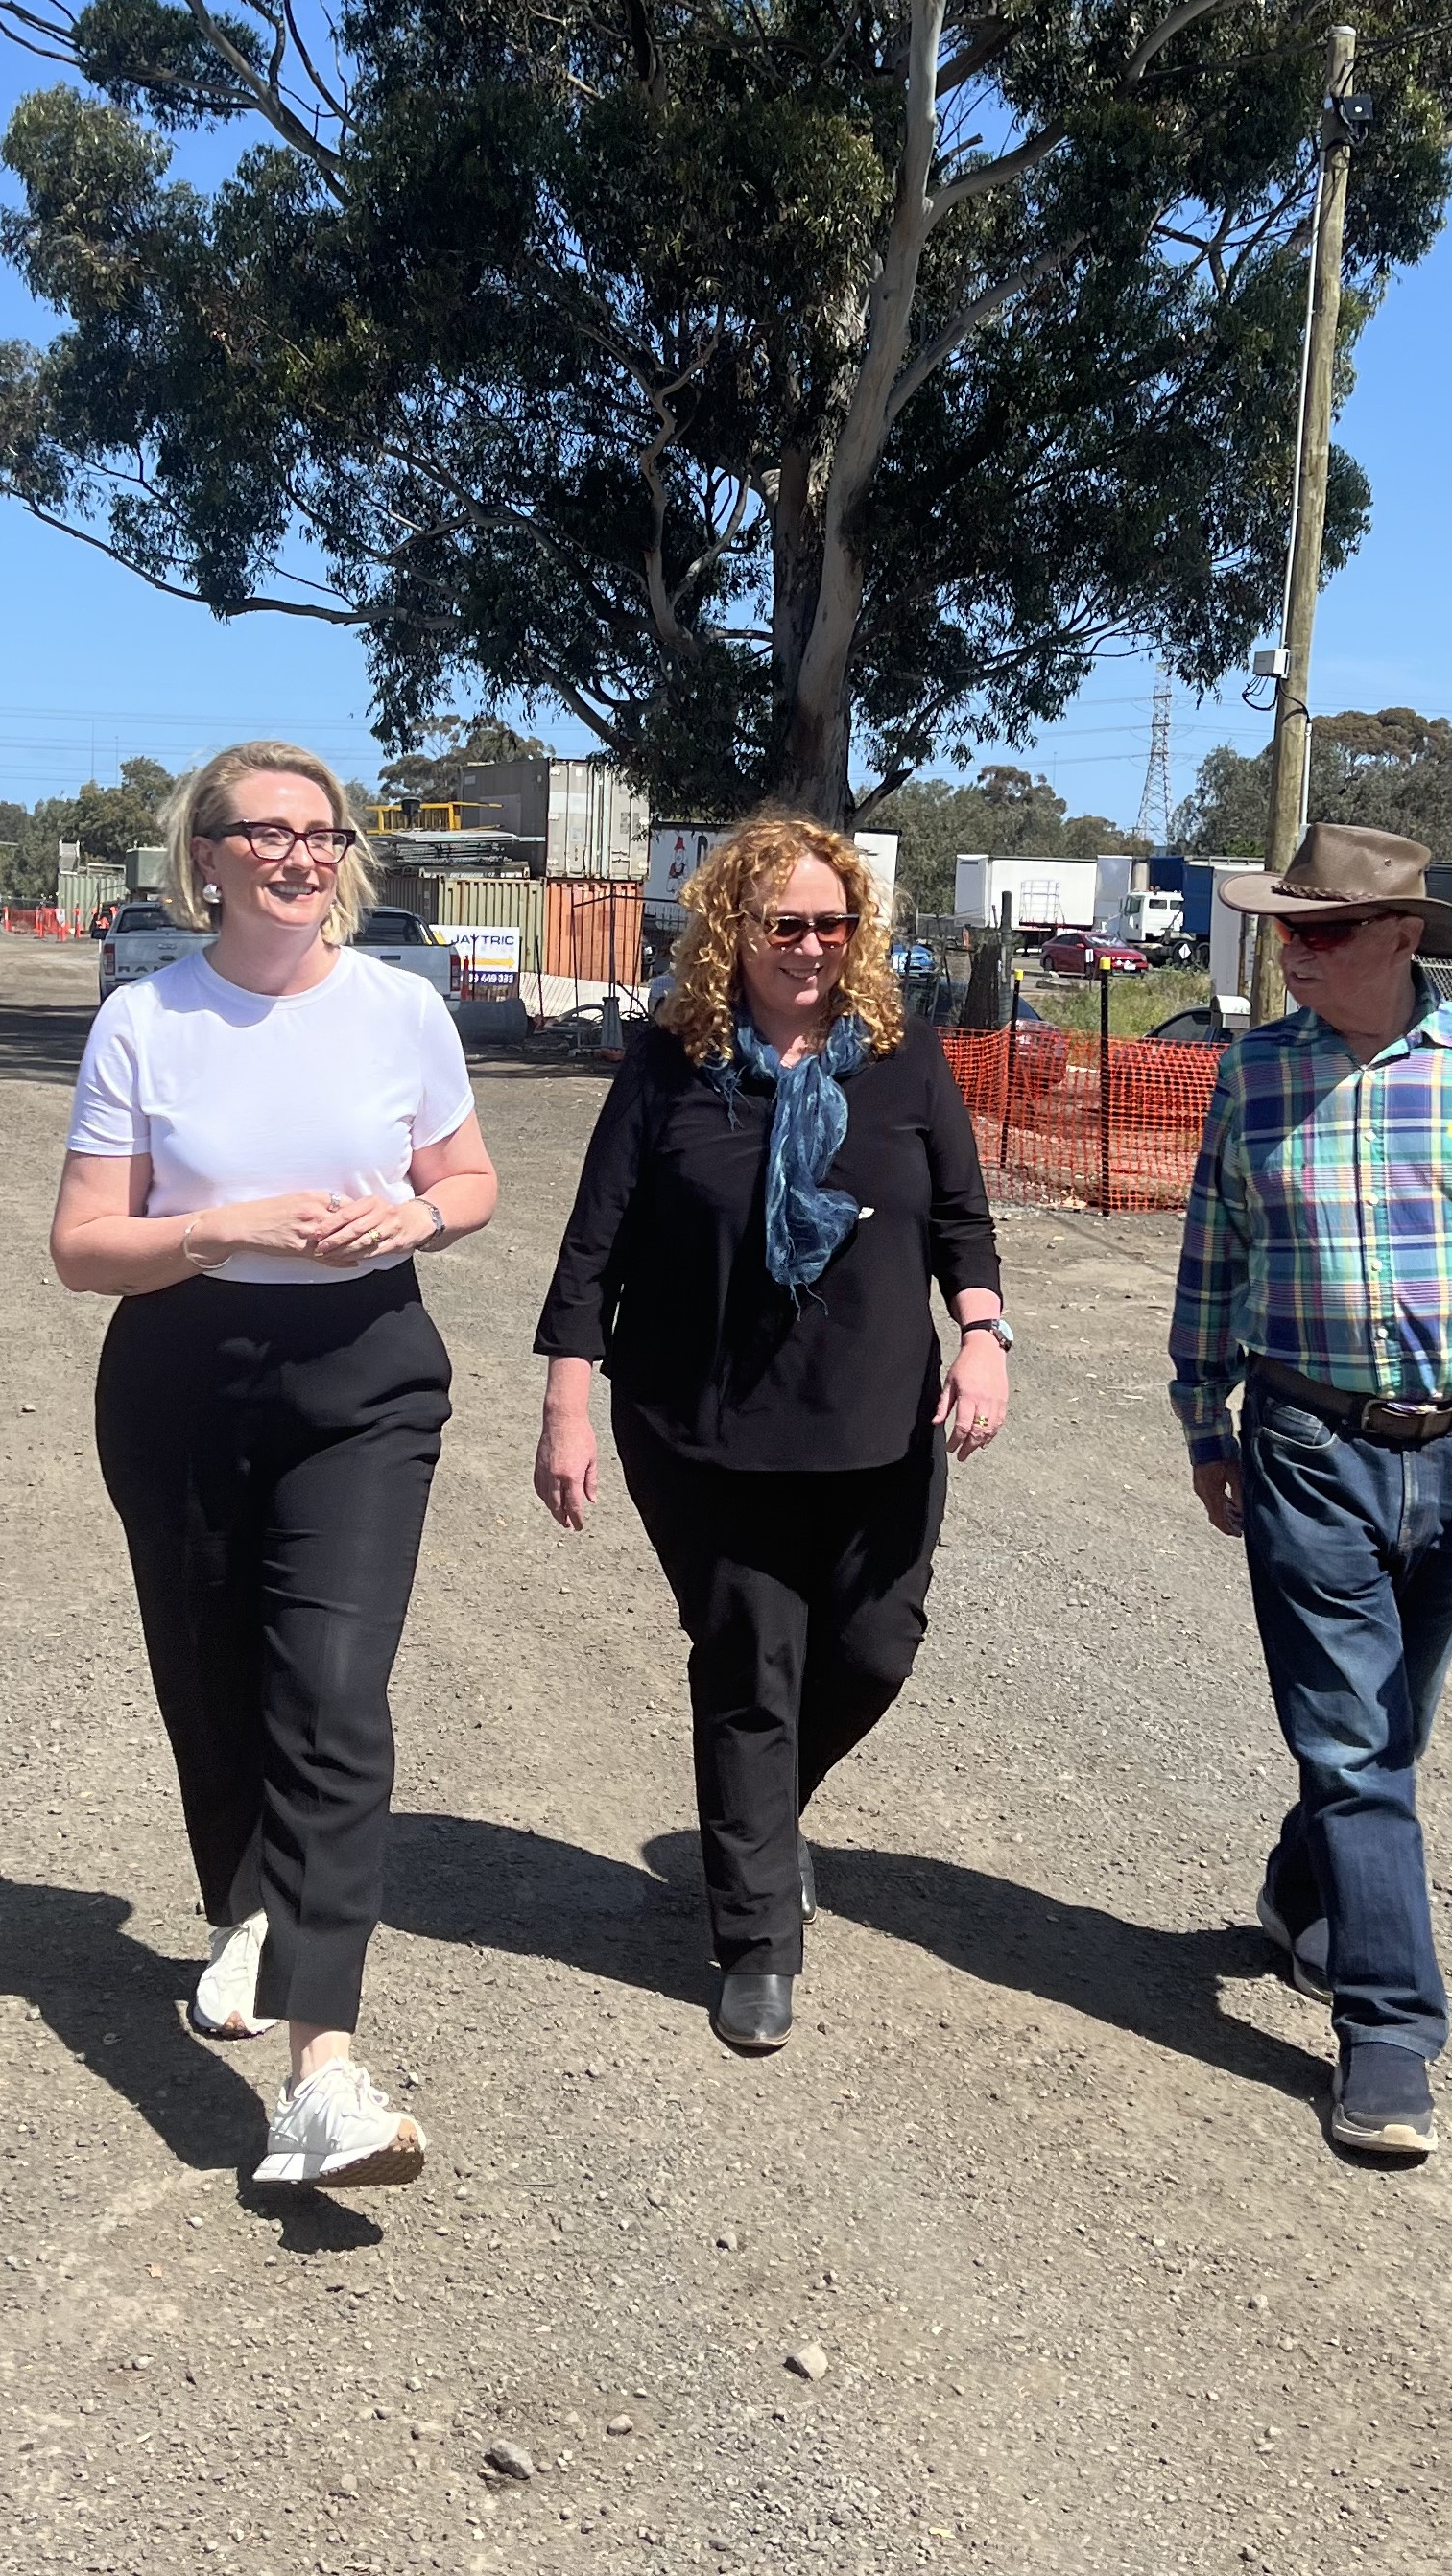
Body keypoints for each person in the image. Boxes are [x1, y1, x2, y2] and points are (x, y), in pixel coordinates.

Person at [50, 741, 497, 2188]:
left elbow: (472, 1179)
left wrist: (420, 1226)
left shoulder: (403, 1010)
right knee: (213, 1678)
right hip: (181, 1375)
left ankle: (324, 2070)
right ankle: (248, 1903)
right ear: (208, 858)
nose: (297, 856)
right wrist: (224, 1227)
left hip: (366, 1376)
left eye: (320, 833)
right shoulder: (143, 1020)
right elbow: (82, 1246)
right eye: (264, 834)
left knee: (333, 1694)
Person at [1169, 822, 1452, 2160]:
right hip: (1306, 1448)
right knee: (1359, 1748)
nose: (1290, 952)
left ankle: (1295, 1889)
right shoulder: (1254, 1076)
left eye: (1316, 931)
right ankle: (1389, 2034)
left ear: (1396, 938)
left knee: (1389, 1727)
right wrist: (1204, 1418)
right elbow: (1216, 1252)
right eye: (1282, 929)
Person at [533, 814, 1009, 2055]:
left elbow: (961, 1215)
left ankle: (760, 1820)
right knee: (752, 1669)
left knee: (877, 1647)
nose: (808, 946)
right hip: (706, 1428)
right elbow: (597, 1243)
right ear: (730, 933)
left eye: (830, 924)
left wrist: (985, 1336)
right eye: (781, 924)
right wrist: (567, 1404)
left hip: (879, 1422)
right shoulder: (670, 1063)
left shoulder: (901, 1061)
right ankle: (754, 1941)